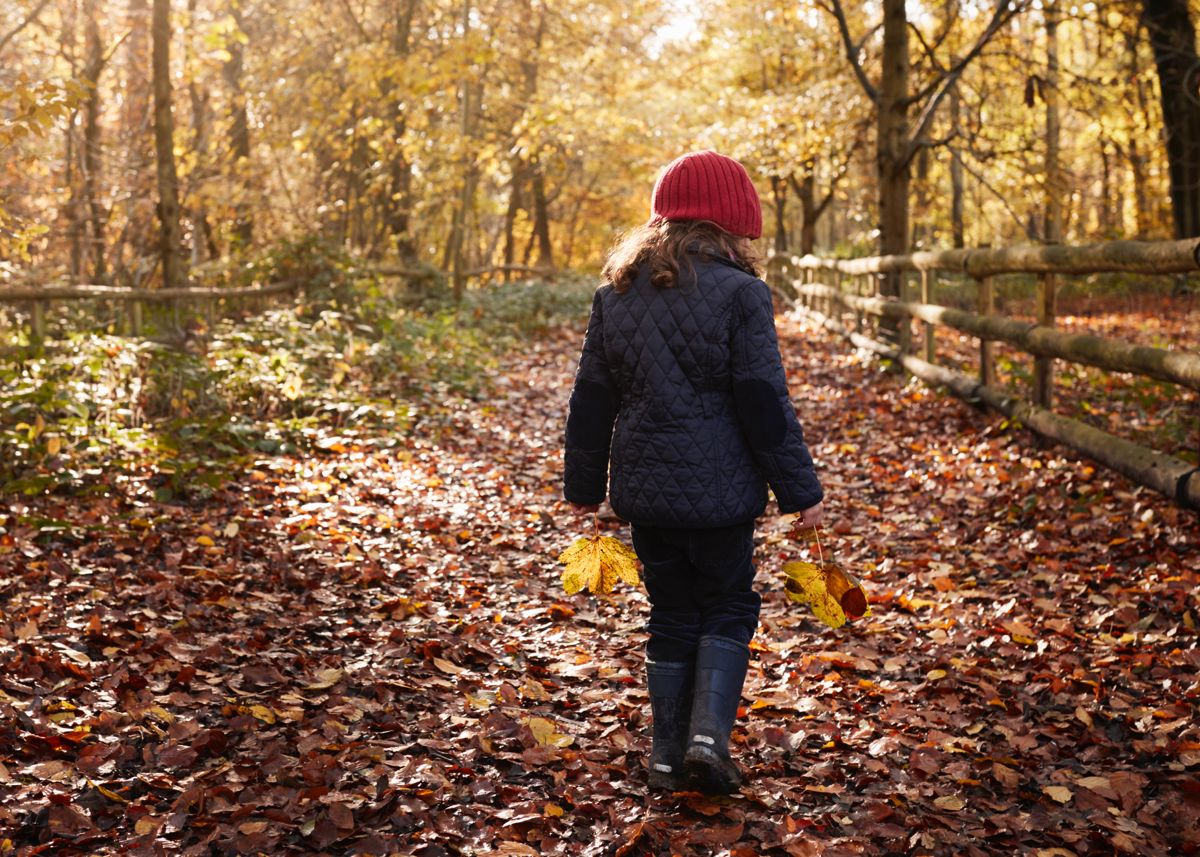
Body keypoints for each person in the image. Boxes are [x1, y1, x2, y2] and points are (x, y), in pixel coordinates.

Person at [562, 150, 824, 794]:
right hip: (721, 493)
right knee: (730, 605)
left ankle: (663, 756)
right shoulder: (741, 294)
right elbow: (762, 399)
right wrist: (799, 491)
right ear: (733, 223)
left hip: (646, 494)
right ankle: (707, 743)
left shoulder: (615, 295)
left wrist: (584, 489)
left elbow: (591, 397)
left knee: (671, 612)